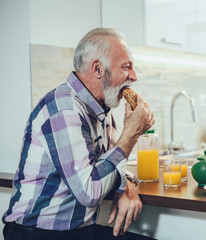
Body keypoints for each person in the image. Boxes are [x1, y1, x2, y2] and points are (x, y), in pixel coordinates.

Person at [2, 28, 155, 240]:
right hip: (37, 234)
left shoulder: (102, 111)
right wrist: (131, 134)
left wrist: (127, 183)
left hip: (78, 232)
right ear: (98, 69)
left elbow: (109, 164)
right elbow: (89, 192)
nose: (134, 76)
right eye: (126, 67)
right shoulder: (64, 108)